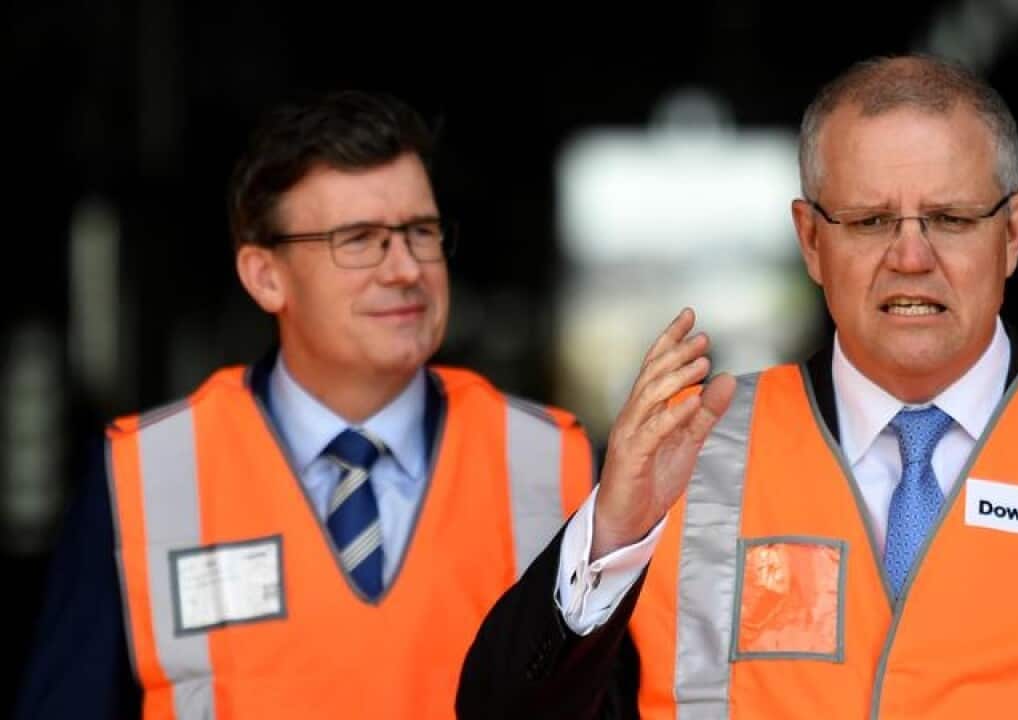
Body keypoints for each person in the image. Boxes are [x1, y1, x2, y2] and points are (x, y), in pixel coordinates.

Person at [457, 55, 1018, 719]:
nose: (911, 255)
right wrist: (611, 534)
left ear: (1015, 232)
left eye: (951, 218)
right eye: (870, 220)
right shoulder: (685, 453)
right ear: (811, 241)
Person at [16, 90, 593, 719]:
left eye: (420, 232)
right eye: (359, 239)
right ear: (265, 276)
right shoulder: (146, 476)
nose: (405, 268)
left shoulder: (553, 462)